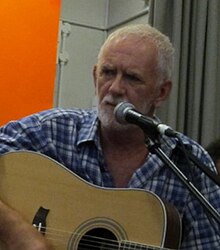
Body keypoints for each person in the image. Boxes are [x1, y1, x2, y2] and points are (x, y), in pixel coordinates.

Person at [0, 23, 220, 249]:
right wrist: (16, 230)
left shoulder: (188, 163)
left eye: (132, 78)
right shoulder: (51, 132)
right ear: (95, 76)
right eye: (108, 72)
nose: (114, 88)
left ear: (161, 92)